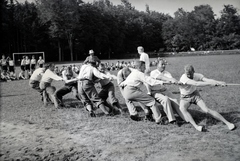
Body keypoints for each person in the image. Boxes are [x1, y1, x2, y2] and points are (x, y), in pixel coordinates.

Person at [179, 64, 235, 132]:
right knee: (182, 108)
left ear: (194, 71)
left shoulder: (197, 75)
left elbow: (207, 80)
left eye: (190, 74)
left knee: (206, 110)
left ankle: (228, 123)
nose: (188, 76)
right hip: (185, 97)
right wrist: (211, 84)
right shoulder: (183, 77)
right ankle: (196, 127)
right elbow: (196, 84)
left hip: (195, 94)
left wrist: (219, 82)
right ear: (185, 73)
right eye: (187, 74)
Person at [150, 59, 186, 124]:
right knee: (166, 100)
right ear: (157, 65)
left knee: (175, 100)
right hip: (155, 92)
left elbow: (171, 81)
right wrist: (170, 79)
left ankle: (186, 118)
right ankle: (172, 120)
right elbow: (160, 77)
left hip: (165, 90)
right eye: (162, 64)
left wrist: (178, 82)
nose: (164, 66)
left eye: (164, 64)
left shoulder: (167, 73)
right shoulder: (153, 72)